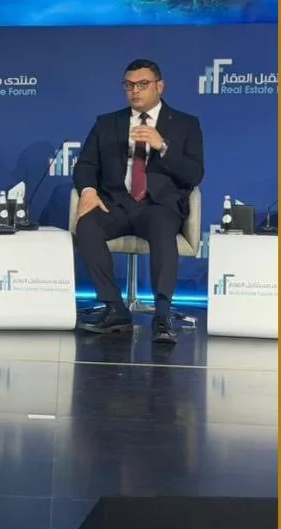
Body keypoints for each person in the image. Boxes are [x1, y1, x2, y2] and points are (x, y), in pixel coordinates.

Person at [72, 58, 204, 344]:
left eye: (142, 84)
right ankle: (115, 308)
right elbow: (85, 165)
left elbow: (194, 174)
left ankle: (162, 315)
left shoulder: (185, 124)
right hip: (116, 204)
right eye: (129, 85)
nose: (135, 91)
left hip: (158, 206)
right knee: (87, 226)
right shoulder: (107, 123)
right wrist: (88, 190)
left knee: (162, 228)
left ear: (160, 86)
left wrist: (163, 147)